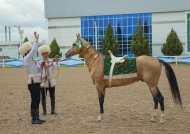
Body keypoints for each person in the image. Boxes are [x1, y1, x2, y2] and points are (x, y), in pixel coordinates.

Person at [19, 32, 45, 124]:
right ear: (26, 52)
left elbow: (39, 70)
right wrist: (36, 40)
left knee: (37, 99)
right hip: (32, 83)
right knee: (35, 100)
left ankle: (36, 117)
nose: (30, 51)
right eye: (29, 50)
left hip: (36, 82)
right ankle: (34, 119)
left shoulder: (32, 61)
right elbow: (34, 50)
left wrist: (42, 66)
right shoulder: (27, 59)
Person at [38, 45, 59, 115]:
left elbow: (57, 67)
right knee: (43, 97)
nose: (45, 54)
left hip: (51, 81)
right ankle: (44, 111)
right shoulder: (39, 63)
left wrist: (56, 61)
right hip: (43, 82)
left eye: (46, 53)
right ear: (42, 54)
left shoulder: (51, 62)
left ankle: (53, 111)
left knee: (52, 96)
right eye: (44, 53)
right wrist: (42, 77)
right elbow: (38, 71)